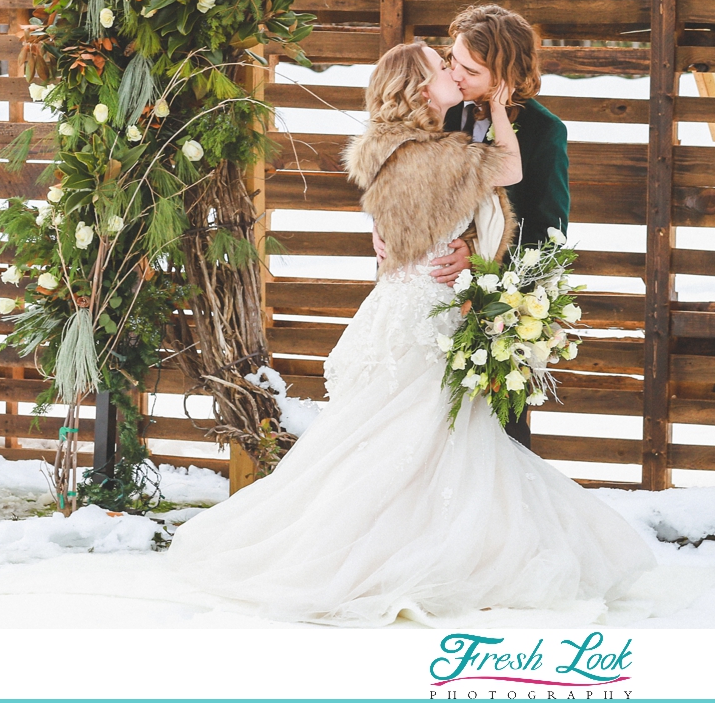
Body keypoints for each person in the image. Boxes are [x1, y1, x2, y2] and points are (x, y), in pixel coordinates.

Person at [166, 42, 655, 627]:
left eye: (458, 65)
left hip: (406, 304)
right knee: (426, 435)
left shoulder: (392, 147)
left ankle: (412, 543)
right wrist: (499, 111)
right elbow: (510, 170)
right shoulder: (443, 153)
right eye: (443, 67)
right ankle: (420, 555)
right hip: (426, 311)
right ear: (425, 91)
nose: (452, 73)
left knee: (410, 438)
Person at [373, 4, 569, 450]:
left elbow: (546, 232)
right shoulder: (440, 106)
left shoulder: (543, 133)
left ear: (508, 76)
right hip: (420, 302)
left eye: (471, 70)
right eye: (452, 61)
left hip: (494, 313)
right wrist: (382, 224)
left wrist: (483, 261)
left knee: (493, 439)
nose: (455, 75)